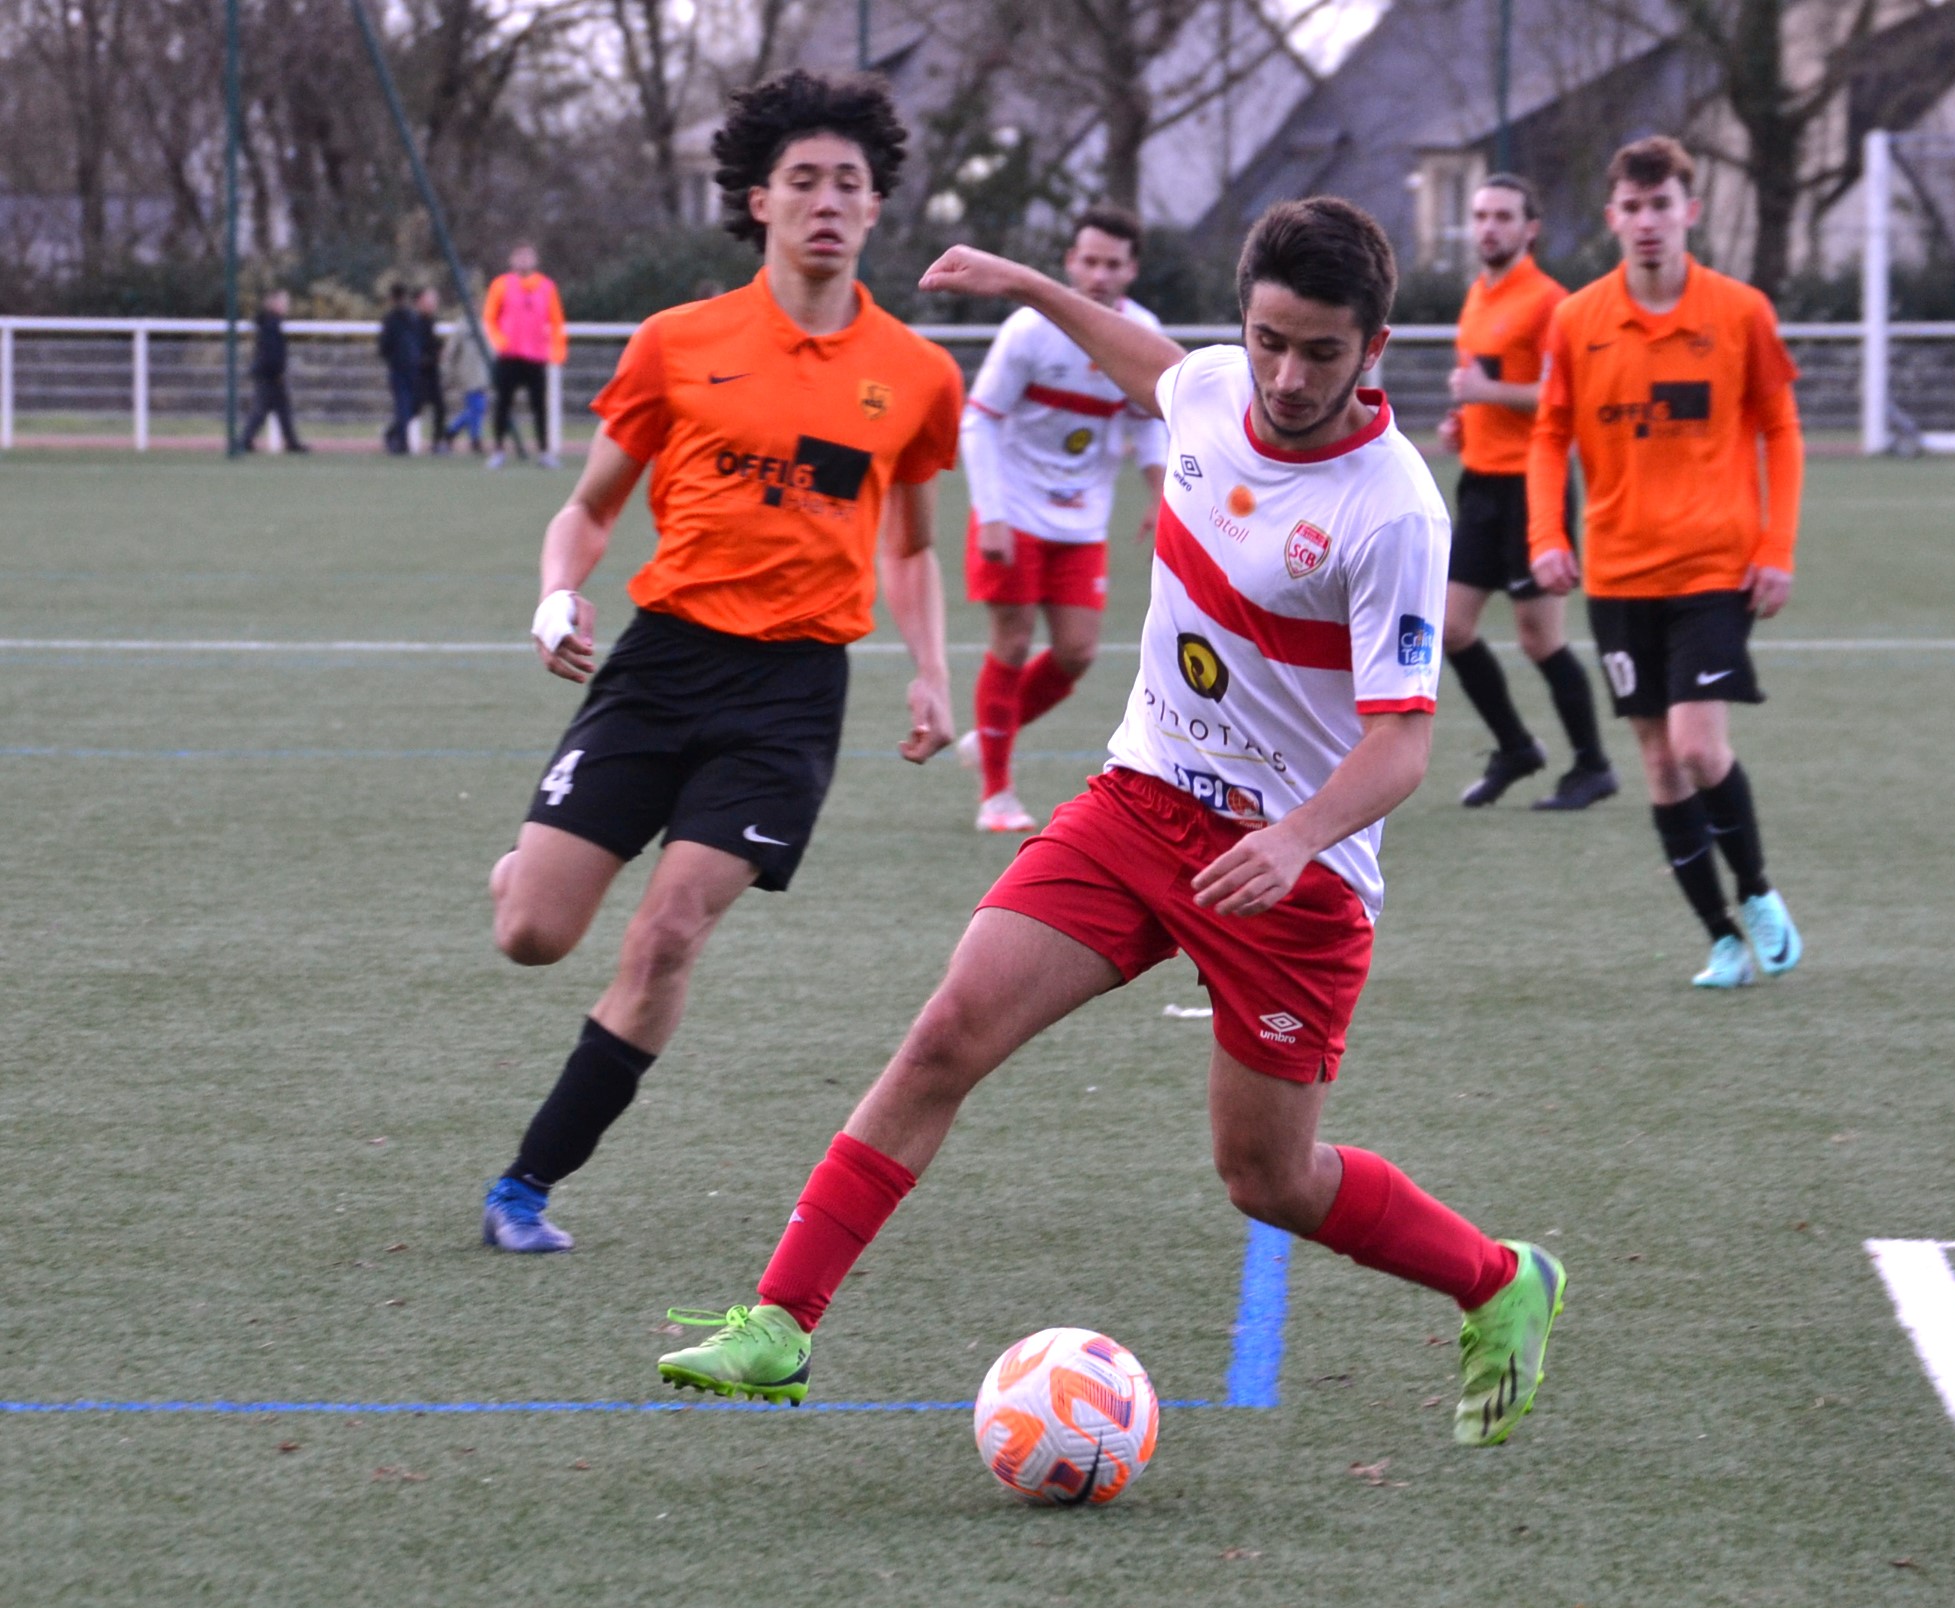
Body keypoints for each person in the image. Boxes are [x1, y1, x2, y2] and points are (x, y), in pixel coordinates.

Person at [655, 197, 1567, 1449]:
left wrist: (1298, 835)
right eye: (1268, 340)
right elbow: (1146, 363)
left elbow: (1402, 741)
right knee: (945, 1034)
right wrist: (1028, 283)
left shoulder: (1396, 508)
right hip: (1141, 803)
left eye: (1320, 351)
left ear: (1377, 348)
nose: (1288, 376)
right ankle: (779, 1322)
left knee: (1269, 1179)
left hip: (1292, 878)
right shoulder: (1205, 387)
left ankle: (1500, 1279)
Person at [477, 68, 964, 1254]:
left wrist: (933, 672)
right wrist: (556, 592)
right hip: (659, 668)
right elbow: (588, 511)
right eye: (803, 180)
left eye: (849, 182)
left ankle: (525, 1186)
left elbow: (909, 545)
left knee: (668, 933)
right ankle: (524, 869)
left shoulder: (915, 375)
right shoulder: (676, 343)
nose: (827, 201)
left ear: (877, 206)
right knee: (535, 934)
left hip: (791, 697)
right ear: (758, 200)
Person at [1528, 136, 1806, 989]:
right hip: (1617, 576)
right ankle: (1720, 938)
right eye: (1633, 208)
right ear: (1613, 218)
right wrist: (1548, 534)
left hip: (1713, 569)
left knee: (1694, 744)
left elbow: (1782, 432)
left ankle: (1756, 891)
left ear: (1689, 211)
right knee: (1655, 759)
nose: (1648, 223)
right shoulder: (1578, 320)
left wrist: (1775, 547)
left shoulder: (1741, 312)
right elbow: (1549, 434)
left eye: (1663, 206)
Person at [953, 204, 1169, 834]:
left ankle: (991, 734)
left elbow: (1147, 423)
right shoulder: (1029, 330)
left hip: (1081, 520)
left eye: (1113, 263)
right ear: (1071, 263)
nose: (1100, 274)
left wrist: (1161, 495)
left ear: (1131, 270)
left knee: (1077, 652)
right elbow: (980, 417)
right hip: (1013, 512)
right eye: (1089, 260)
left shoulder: (1140, 332)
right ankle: (996, 791)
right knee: (1013, 644)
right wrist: (990, 515)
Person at [1438, 174, 1613, 811]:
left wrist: (1489, 397)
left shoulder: (1551, 304)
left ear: (1529, 228)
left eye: (1503, 216)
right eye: (1481, 214)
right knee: (1451, 629)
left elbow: (1567, 398)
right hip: (1479, 484)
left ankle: (1593, 765)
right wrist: (1464, 420)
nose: (1488, 227)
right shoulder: (1476, 296)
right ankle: (1515, 746)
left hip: (1531, 486)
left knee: (1540, 639)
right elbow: (1484, 384)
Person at [483, 242, 565, 468]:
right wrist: (500, 341)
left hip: (536, 357)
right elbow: (489, 317)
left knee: (540, 406)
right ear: (512, 260)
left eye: (528, 256)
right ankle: (498, 450)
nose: (524, 261)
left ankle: (544, 452)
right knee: (502, 404)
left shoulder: (547, 287)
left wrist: (557, 350)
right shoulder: (500, 285)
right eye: (519, 256)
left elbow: (557, 322)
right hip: (508, 357)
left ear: (535, 259)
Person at [238, 288, 309, 454]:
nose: (287, 305)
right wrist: (277, 372)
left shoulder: (270, 323)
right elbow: (272, 353)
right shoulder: (271, 325)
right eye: (284, 302)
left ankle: (291, 443)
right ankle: (243, 441)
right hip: (269, 375)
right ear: (275, 304)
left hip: (270, 373)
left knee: (281, 409)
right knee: (261, 411)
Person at [377, 282, 430, 454]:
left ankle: (394, 435)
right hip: (407, 367)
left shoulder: (395, 319)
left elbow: (384, 346)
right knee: (406, 405)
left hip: (404, 367)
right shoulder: (407, 318)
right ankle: (401, 442)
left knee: (408, 406)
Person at [442, 298, 491, 454]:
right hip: (467, 374)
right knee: (477, 407)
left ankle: (451, 432)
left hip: (482, 375)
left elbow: (492, 349)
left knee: (476, 408)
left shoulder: (485, 325)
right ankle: (473, 439)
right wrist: (448, 372)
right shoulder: (463, 326)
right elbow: (451, 349)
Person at [413, 286, 452, 454]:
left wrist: (440, 350)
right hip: (420, 373)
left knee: (440, 407)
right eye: (430, 299)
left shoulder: (430, 321)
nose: (434, 303)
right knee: (415, 408)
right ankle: (393, 434)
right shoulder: (415, 322)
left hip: (431, 372)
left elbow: (432, 343)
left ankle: (437, 443)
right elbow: (419, 348)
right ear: (420, 302)